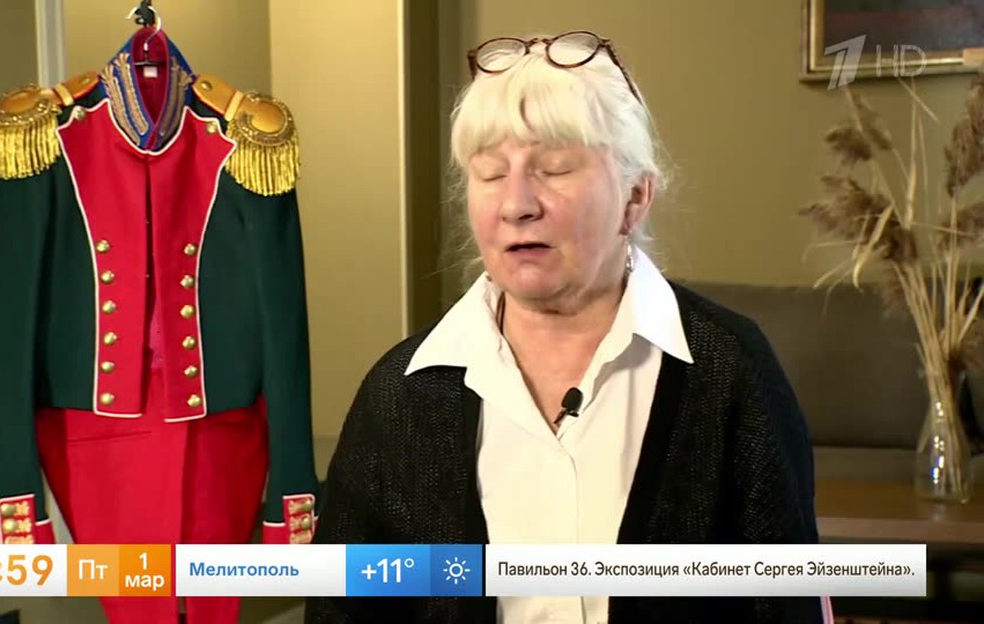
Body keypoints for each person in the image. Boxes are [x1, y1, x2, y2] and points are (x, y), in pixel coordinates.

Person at [305, 31, 824, 623]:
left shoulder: (729, 369)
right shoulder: (401, 393)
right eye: (490, 173)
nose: (516, 204)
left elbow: (785, 606)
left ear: (635, 198)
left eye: (553, 169)